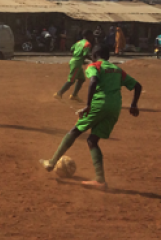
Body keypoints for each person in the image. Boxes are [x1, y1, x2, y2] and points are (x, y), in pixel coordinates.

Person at [40, 45, 142, 189]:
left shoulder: (94, 66)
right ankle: (100, 180)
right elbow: (137, 86)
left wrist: (88, 105)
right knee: (92, 140)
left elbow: (93, 81)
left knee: (75, 131)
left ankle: (51, 162)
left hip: (99, 104)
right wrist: (133, 105)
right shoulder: (118, 70)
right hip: (115, 108)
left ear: (94, 56)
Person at [55, 30, 94, 101]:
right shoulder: (88, 44)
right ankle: (59, 93)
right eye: (91, 35)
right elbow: (86, 55)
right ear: (88, 35)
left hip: (74, 60)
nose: (92, 37)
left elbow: (71, 49)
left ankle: (74, 95)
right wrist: (93, 60)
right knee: (71, 80)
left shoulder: (78, 42)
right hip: (77, 63)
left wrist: (78, 56)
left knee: (82, 79)